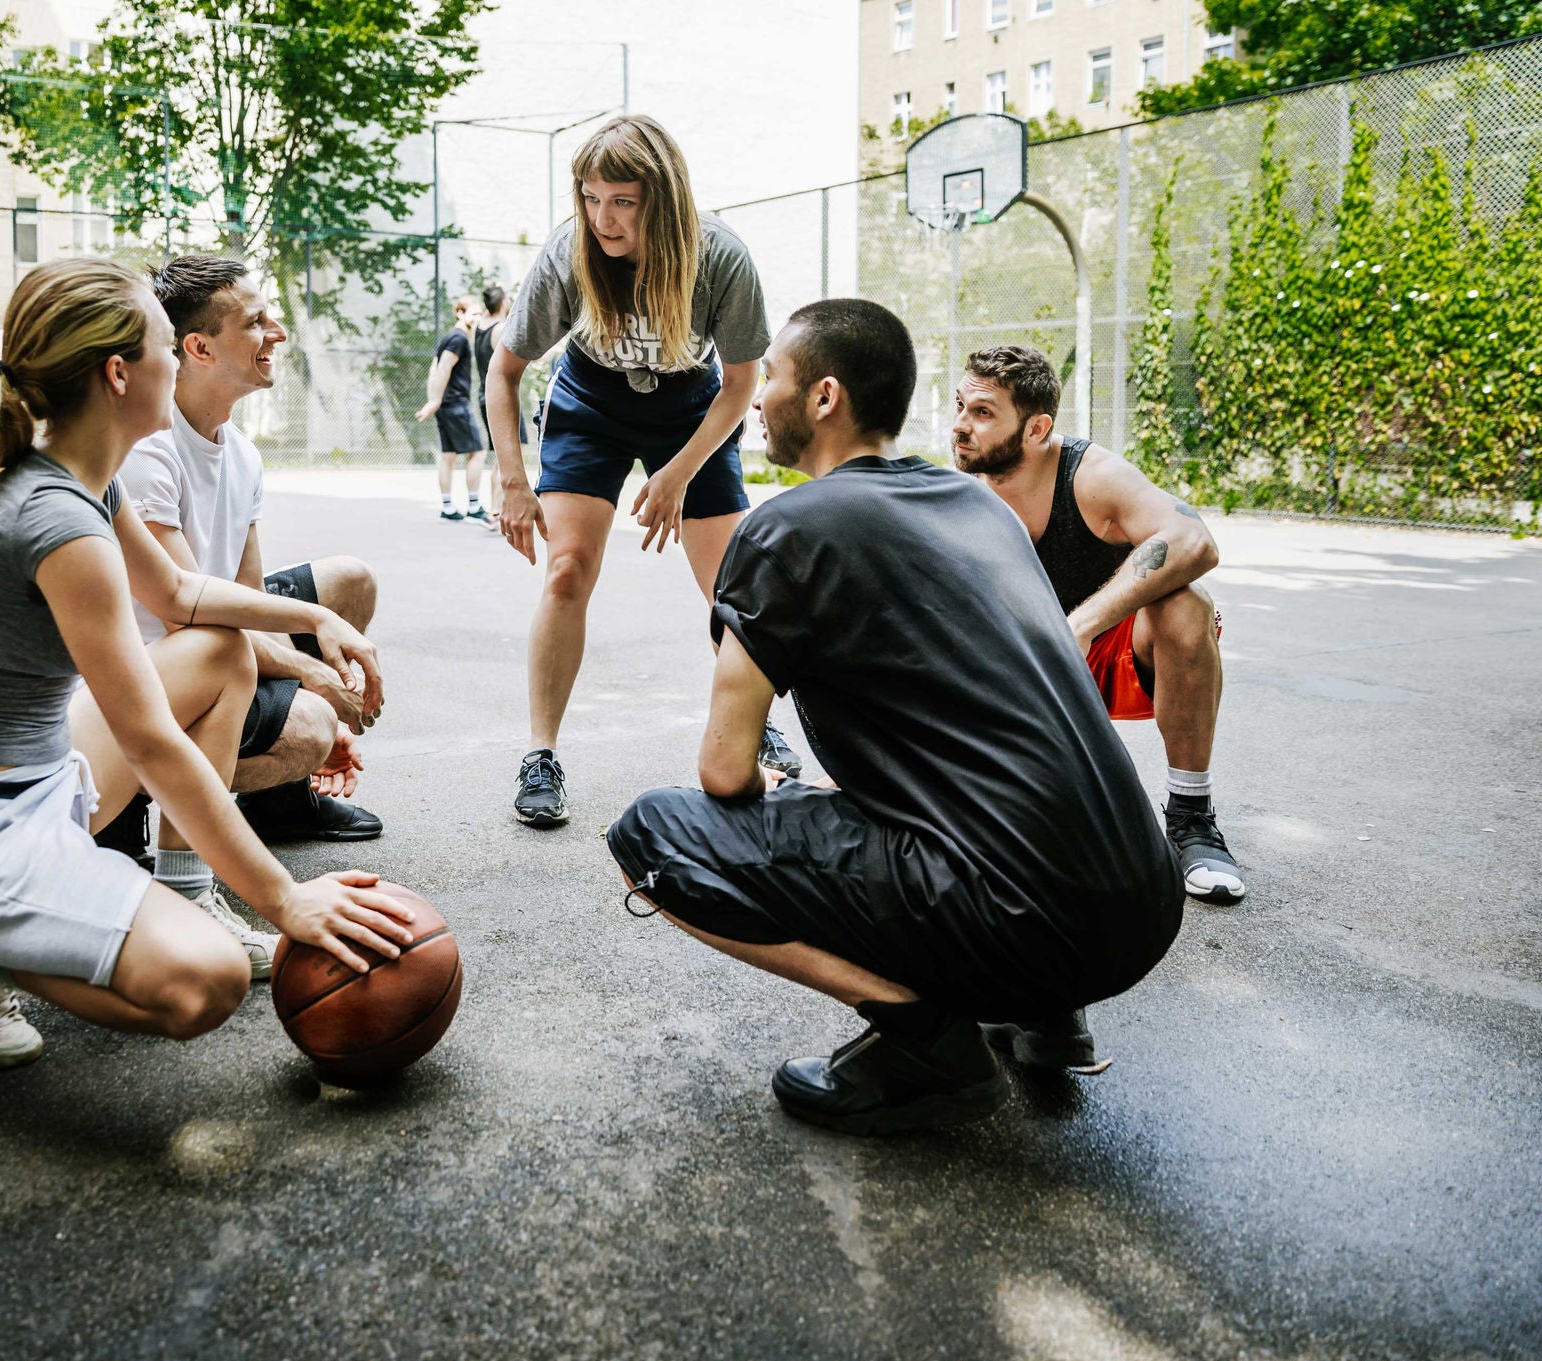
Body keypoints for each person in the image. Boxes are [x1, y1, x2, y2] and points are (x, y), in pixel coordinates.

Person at [606, 300, 1182, 1133]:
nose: (760, 395)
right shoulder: (977, 504)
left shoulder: (786, 529)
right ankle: (1044, 1004)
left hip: (1027, 911)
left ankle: (927, 1043)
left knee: (653, 836)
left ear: (825, 396)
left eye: (773, 378)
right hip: (1142, 899)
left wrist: (772, 788)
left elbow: (724, 771)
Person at [0, 258, 415, 1069]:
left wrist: (316, 618)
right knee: (208, 981)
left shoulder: (85, 481)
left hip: (34, 782)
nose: (173, 360)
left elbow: (187, 594)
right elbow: (153, 741)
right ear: (120, 373)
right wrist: (287, 898)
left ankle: (188, 890)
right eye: (165, 344)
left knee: (219, 649)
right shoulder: (58, 522)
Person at [484, 113, 799, 829]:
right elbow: (503, 373)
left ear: (663, 198)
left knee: (732, 588)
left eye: (622, 201)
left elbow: (743, 381)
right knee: (566, 569)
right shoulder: (570, 251)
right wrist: (511, 477)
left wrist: (681, 472)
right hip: (591, 399)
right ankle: (540, 754)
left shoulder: (719, 256)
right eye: (592, 199)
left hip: (694, 404)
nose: (604, 218)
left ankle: (754, 725)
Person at [91, 254, 387, 971]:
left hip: (213, 643)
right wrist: (317, 683)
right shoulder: (147, 451)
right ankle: (155, 829)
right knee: (309, 716)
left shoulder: (242, 453)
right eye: (256, 321)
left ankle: (277, 800)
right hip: (160, 673)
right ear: (198, 348)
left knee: (348, 583)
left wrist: (316, 645)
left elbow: (247, 603)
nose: (275, 332)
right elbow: (188, 608)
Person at [952, 345, 1243, 904]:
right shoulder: (958, 491)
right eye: (961, 406)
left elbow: (1193, 541)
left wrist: (1080, 625)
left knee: (1188, 606)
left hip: (1105, 653)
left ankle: (1190, 818)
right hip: (1020, 668)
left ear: (1037, 428)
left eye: (983, 412)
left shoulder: (1091, 475)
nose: (962, 426)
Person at [416, 296, 487, 522]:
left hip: (446, 404)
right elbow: (443, 367)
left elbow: (434, 368)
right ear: (459, 313)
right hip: (455, 404)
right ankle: (474, 508)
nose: (477, 319)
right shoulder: (458, 338)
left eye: (479, 314)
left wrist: (434, 400)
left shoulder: (451, 337)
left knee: (449, 456)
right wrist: (434, 401)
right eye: (473, 314)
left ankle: (447, 508)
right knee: (478, 451)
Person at [469, 282, 524, 532]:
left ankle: (496, 510)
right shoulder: (500, 329)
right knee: (507, 454)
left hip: (485, 395)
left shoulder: (479, 327)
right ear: (503, 303)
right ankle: (496, 511)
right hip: (499, 397)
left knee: (502, 454)